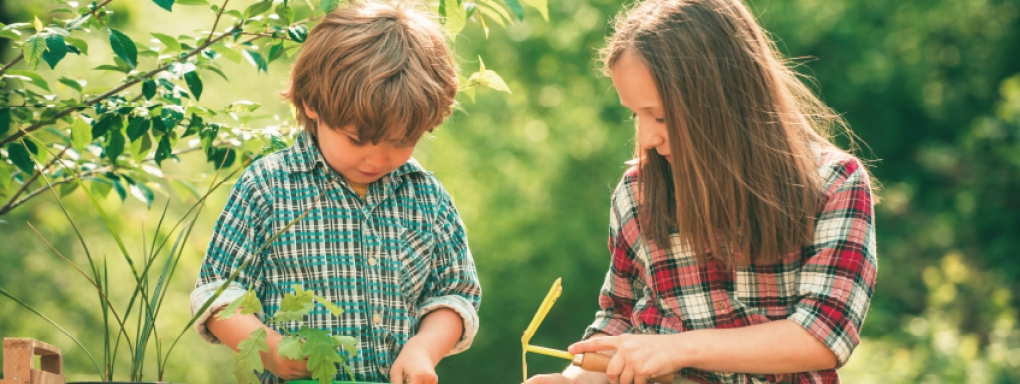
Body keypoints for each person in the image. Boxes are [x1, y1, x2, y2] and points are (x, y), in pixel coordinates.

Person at [527, 0, 878, 383]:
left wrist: (677, 349)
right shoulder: (637, 196)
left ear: (721, 100)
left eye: (660, 116)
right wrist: (572, 379)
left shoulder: (834, 184)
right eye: (636, 115)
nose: (647, 137)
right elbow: (619, 322)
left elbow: (823, 336)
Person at [189, 2, 481, 383]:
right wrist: (270, 349)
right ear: (312, 104)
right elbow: (216, 294)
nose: (376, 158)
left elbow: (455, 294)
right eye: (358, 139)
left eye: (401, 140)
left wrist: (423, 348)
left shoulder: (426, 197)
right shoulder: (267, 187)